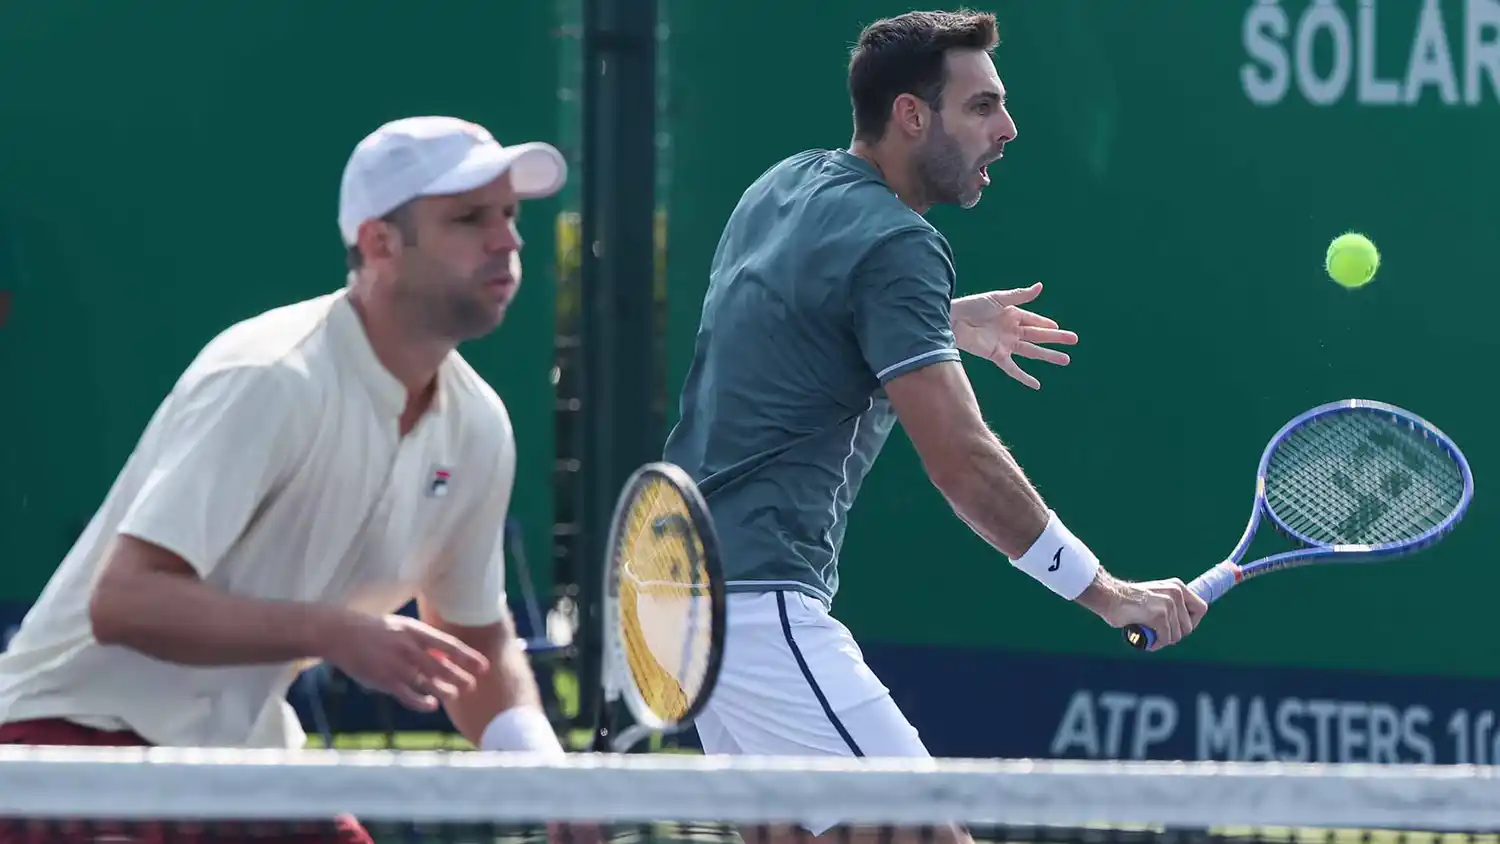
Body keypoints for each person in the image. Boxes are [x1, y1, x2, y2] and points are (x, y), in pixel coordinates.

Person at [661, 10, 1209, 842]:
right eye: (982, 106)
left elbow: (795, 329)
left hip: (684, 598)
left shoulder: (781, 187)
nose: (1008, 128)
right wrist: (1106, 593)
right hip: (760, 602)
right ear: (912, 115)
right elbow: (963, 462)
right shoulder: (896, 243)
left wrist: (939, 322)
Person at [0, 115, 572, 843]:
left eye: (510, 215)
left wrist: (546, 773)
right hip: (61, 748)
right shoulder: (270, 375)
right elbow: (126, 600)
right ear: (379, 243)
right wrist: (334, 633)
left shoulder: (479, 424)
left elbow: (477, 642)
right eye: (468, 218)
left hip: (241, 767)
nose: (508, 240)